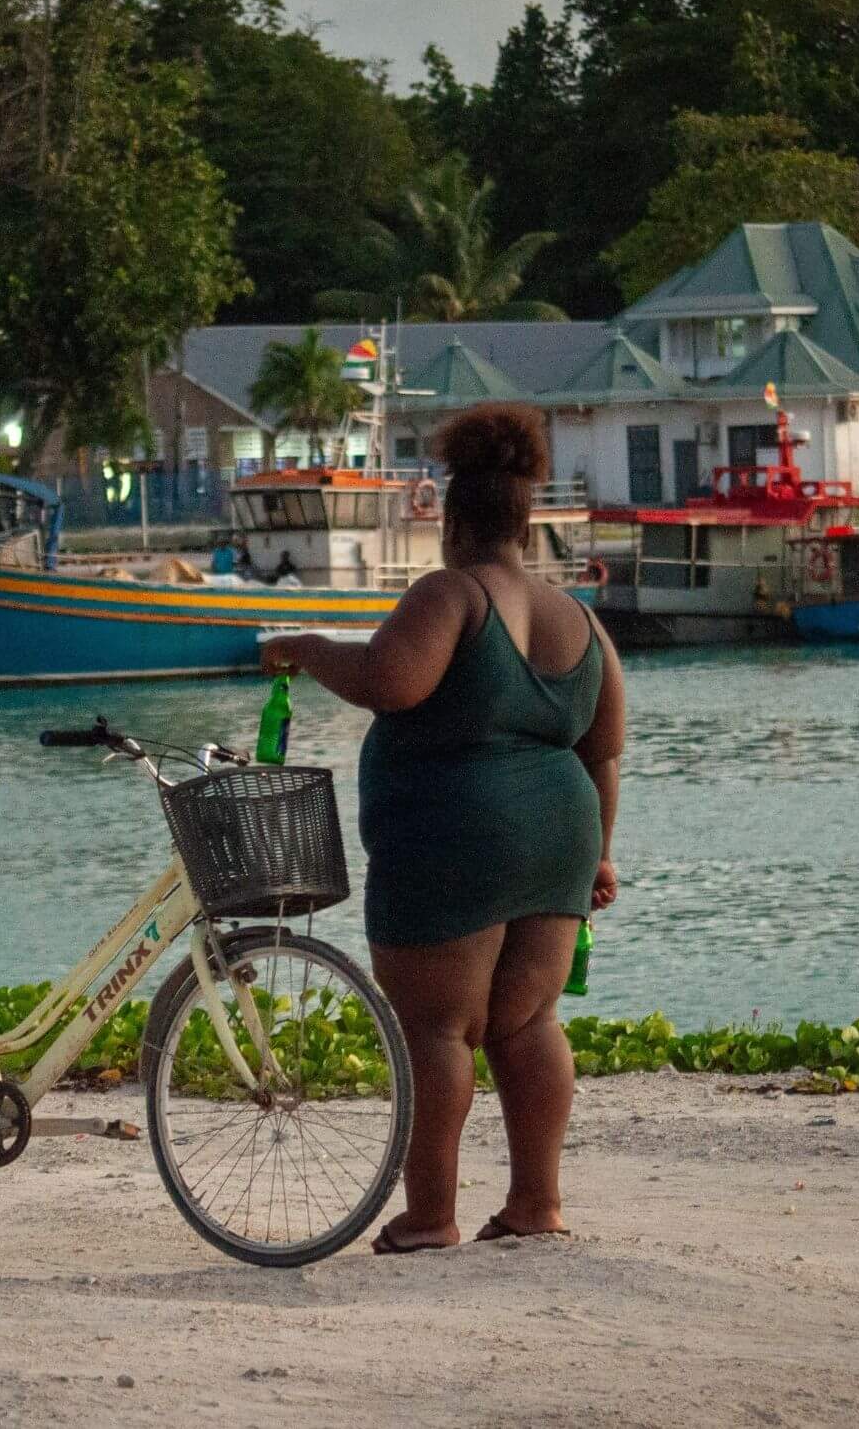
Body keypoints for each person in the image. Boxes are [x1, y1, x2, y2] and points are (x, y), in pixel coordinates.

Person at [261, 403, 624, 1254]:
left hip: (455, 838)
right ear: (526, 525)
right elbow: (604, 750)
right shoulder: (582, 620)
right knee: (527, 1024)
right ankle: (536, 1205)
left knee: (438, 1030)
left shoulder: (451, 594)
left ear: (452, 525)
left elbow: (391, 679)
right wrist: (601, 854)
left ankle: (431, 1218)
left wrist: (305, 647)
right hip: (560, 836)